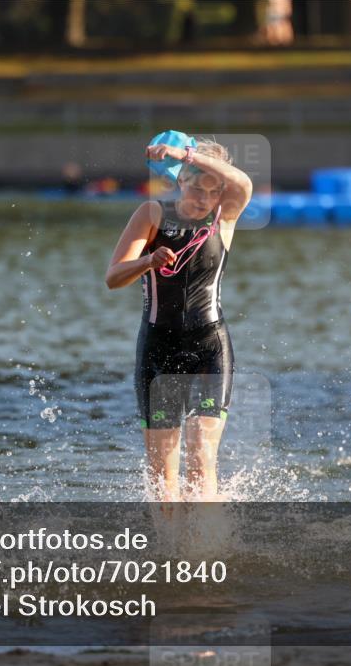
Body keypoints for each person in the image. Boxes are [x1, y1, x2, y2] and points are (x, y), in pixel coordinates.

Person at [105, 137, 253, 501]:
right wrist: (148, 261)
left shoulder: (225, 216)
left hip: (209, 347)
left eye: (214, 190)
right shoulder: (152, 214)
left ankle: (205, 535)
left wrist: (186, 154)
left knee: (202, 455)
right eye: (197, 187)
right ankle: (170, 538)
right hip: (159, 349)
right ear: (180, 180)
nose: (205, 198)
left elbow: (243, 182)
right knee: (163, 477)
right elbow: (113, 278)